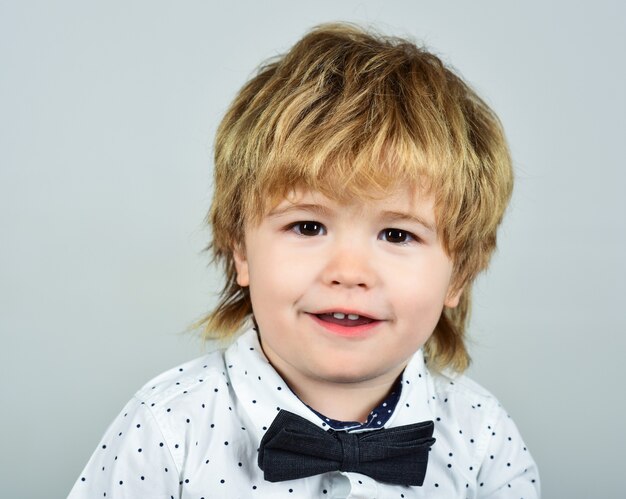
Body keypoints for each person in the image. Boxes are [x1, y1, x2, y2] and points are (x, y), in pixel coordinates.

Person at [68, 23, 540, 498]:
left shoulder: (484, 440)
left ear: (458, 273)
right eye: (308, 227)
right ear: (240, 249)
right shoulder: (166, 429)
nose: (349, 272)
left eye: (397, 234)